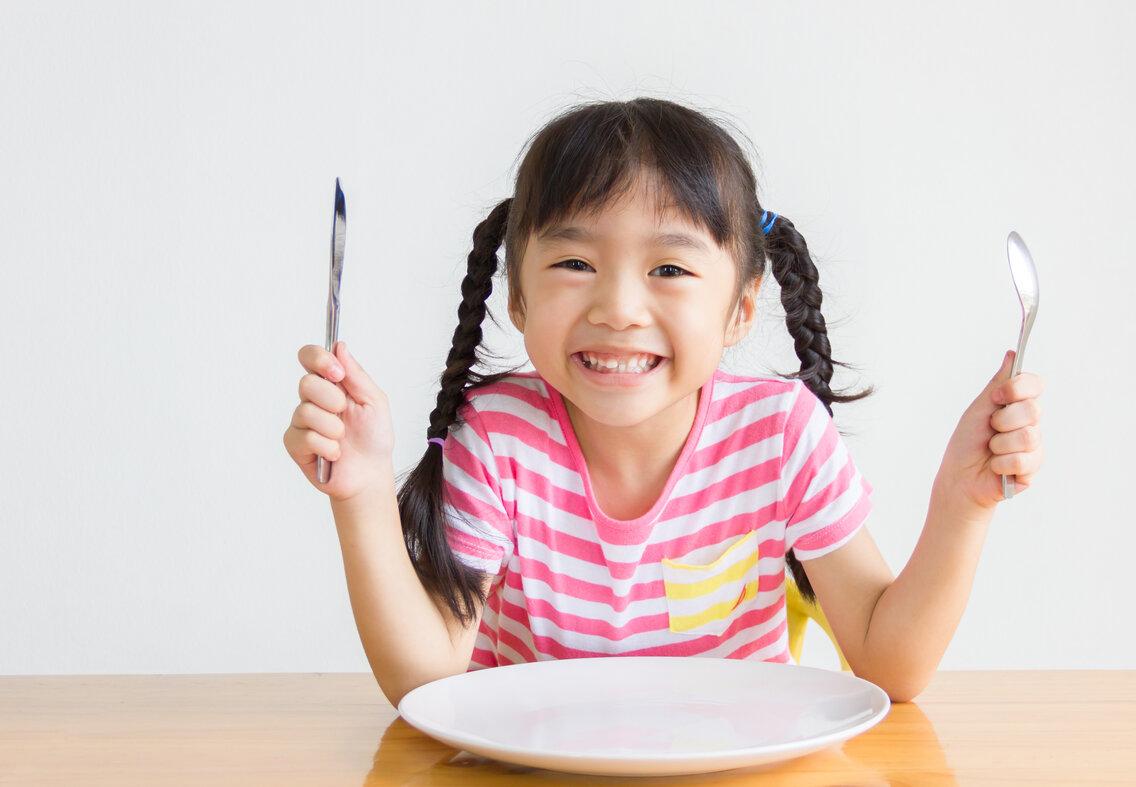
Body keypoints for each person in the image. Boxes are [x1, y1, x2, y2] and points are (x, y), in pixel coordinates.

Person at [283, 98, 1045, 707]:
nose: (618, 306)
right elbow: (427, 678)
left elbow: (889, 664)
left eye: (670, 268)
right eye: (576, 261)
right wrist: (361, 491)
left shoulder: (779, 436)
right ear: (517, 295)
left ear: (743, 307)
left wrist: (961, 503)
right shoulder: (499, 437)